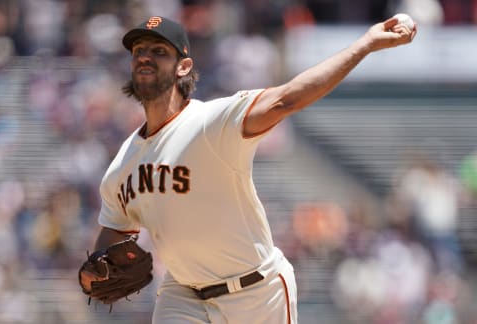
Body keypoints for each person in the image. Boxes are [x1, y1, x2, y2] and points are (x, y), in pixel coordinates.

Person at [79, 15, 417, 323]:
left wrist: (366, 43)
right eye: (138, 50)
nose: (144, 57)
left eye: (158, 50)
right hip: (182, 295)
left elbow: (289, 98)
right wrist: (94, 272)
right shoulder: (122, 165)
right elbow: (113, 233)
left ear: (184, 67)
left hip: (258, 293)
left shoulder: (212, 122)